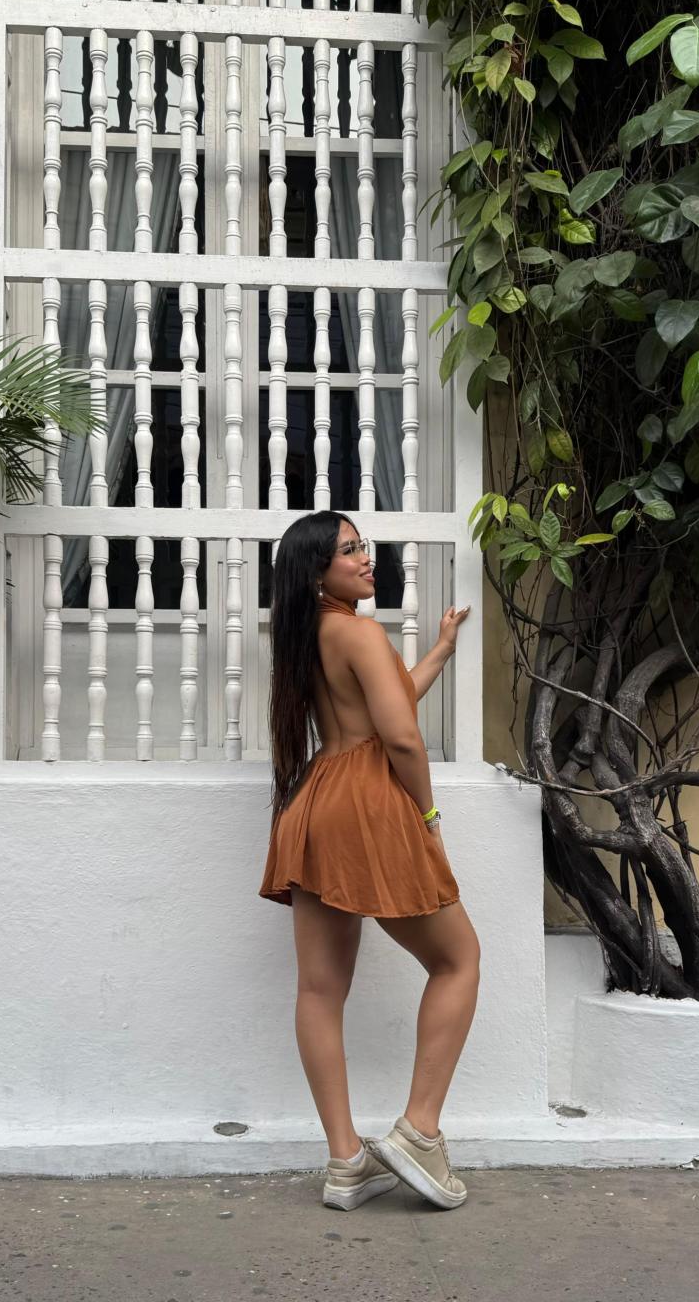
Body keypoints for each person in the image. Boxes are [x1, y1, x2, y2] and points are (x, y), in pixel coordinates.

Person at [260, 510, 480, 1211]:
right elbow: (402, 738)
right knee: (459, 960)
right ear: (316, 572)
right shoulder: (358, 632)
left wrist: (440, 650)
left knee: (319, 990)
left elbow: (385, 700)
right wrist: (430, 818)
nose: (365, 558)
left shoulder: (310, 637)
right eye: (348, 550)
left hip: (316, 802)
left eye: (363, 546)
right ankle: (419, 1132)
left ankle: (346, 1161)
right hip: (367, 802)